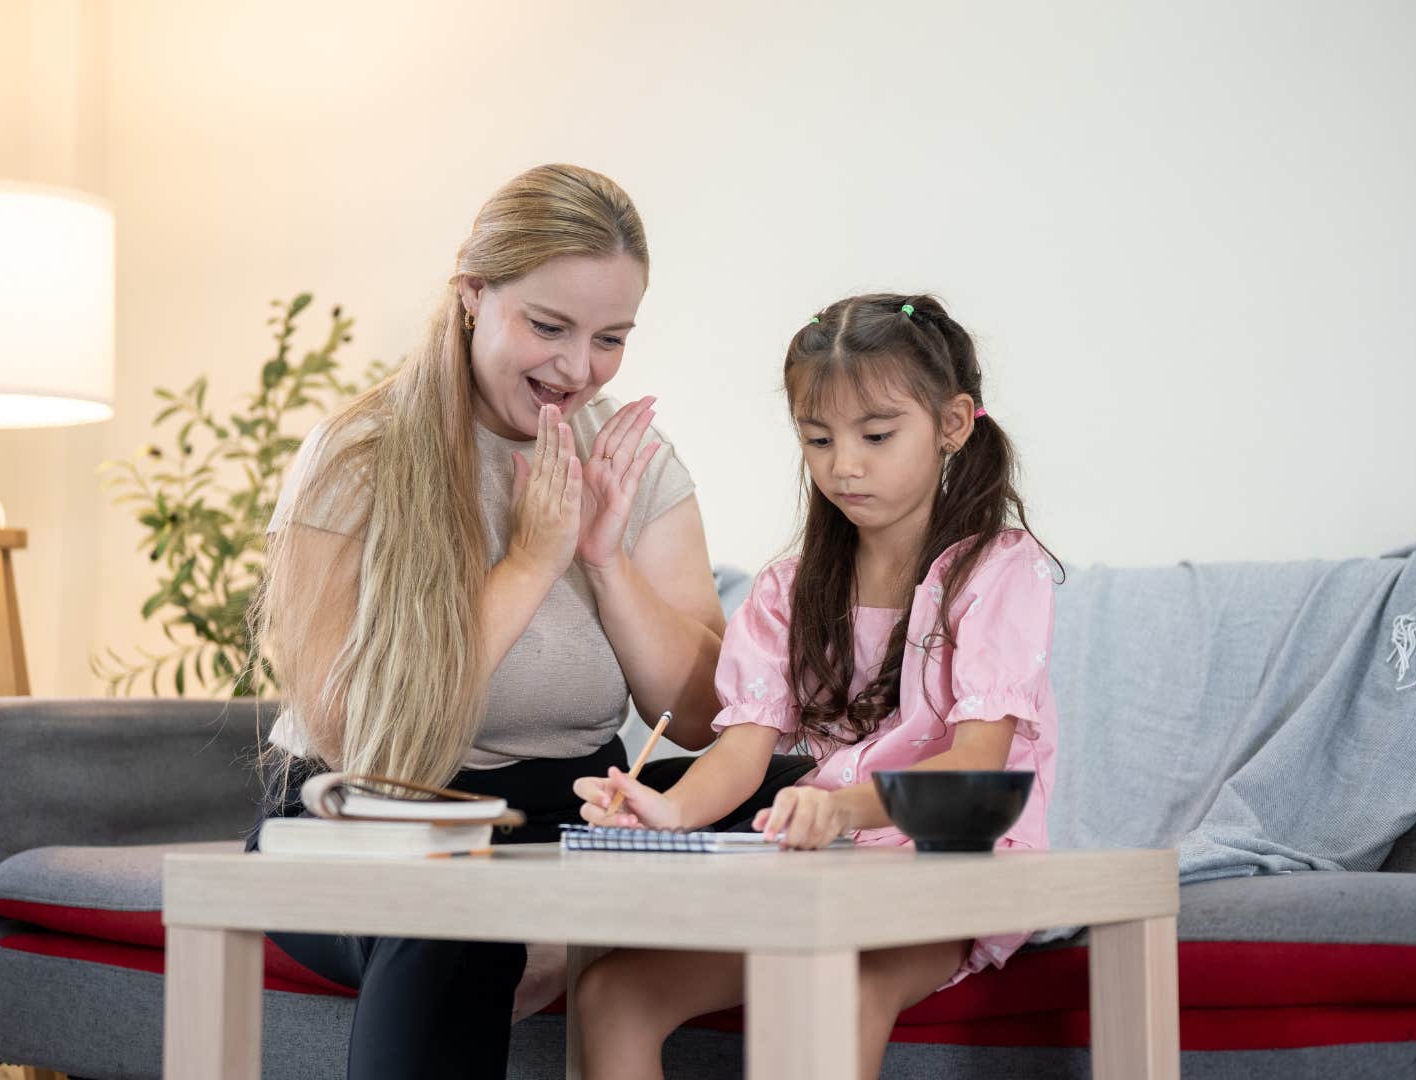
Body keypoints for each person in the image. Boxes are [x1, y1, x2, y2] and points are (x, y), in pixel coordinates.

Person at [248, 163, 806, 1079]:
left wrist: (604, 559)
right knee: (458, 916)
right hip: (374, 818)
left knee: (796, 795)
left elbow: (710, 719)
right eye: (547, 327)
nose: (577, 370)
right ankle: (542, 928)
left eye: (611, 338)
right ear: (473, 295)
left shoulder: (633, 456)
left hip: (565, 814)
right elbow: (356, 727)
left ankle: (558, 927)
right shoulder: (357, 453)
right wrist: (530, 561)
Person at [571, 293, 1062, 1080]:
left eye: (876, 435)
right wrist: (668, 811)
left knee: (839, 986)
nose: (844, 464)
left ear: (952, 424)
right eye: (818, 438)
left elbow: (976, 770)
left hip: (952, 862)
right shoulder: (787, 589)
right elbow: (741, 754)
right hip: (824, 863)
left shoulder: (1000, 570)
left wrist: (839, 806)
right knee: (612, 992)